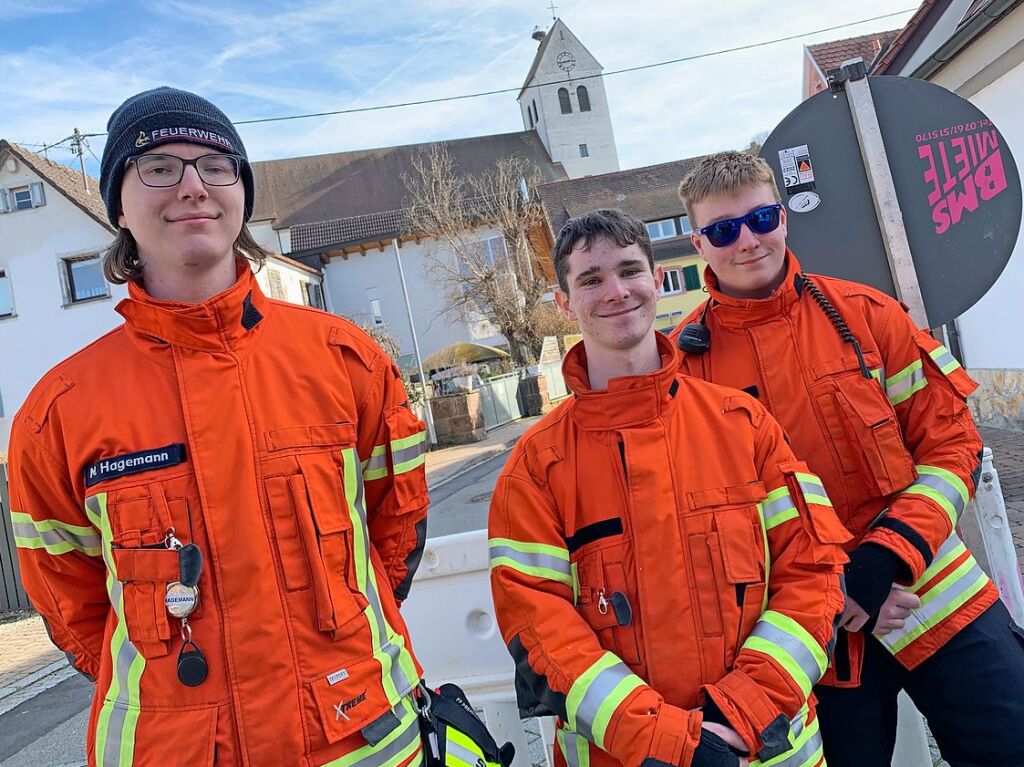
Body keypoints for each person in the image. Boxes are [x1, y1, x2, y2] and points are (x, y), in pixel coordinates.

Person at [8, 87, 430, 767]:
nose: (193, 185)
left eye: (215, 163)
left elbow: (396, 532)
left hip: (360, 737)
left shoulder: (347, 361)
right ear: (118, 203)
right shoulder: (59, 411)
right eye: (159, 166)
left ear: (241, 191)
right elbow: (69, 600)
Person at [671, 150, 1024, 767]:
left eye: (761, 219)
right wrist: (836, 589)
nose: (747, 241)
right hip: (812, 636)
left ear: (784, 217)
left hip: (933, 590)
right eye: (724, 230)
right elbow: (699, 519)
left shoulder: (866, 316)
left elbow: (953, 445)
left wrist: (887, 553)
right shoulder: (681, 369)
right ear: (700, 243)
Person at [488, 209, 849, 767]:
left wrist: (740, 712)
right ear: (564, 304)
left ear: (657, 280)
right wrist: (666, 742)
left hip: (767, 750)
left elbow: (813, 572)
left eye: (630, 270)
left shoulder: (743, 424)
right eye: (591, 279)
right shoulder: (536, 467)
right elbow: (540, 627)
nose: (616, 291)